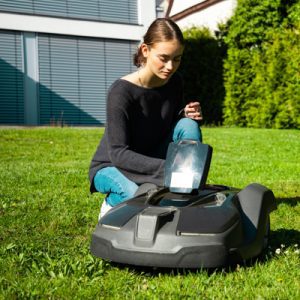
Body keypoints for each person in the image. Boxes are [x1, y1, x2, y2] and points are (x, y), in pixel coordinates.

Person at [89, 18, 203, 218]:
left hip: (151, 155)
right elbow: (118, 153)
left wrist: (186, 114)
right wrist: (170, 169)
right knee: (138, 195)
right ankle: (110, 206)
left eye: (177, 58)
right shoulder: (120, 92)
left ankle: (186, 188)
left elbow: (170, 124)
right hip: (111, 165)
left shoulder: (175, 82)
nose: (170, 66)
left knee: (188, 124)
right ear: (145, 50)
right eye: (164, 57)